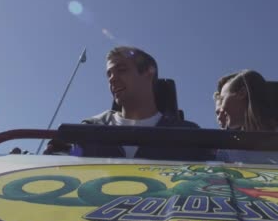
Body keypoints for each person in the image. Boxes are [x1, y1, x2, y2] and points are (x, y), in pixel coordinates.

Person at [75, 46, 212, 160]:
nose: (112, 79)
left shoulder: (188, 135)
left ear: (149, 73)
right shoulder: (89, 129)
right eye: (109, 74)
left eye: (121, 70)